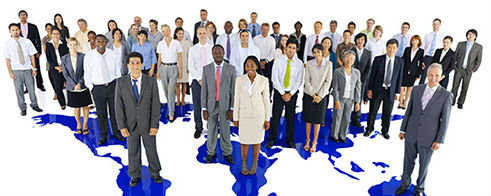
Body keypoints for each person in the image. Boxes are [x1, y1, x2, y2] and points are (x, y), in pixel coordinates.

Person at [395, 63, 452, 196]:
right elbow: (408, 111)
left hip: (429, 137)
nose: (433, 78)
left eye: (436, 75)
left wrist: (439, 140)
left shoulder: (446, 95)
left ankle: (419, 188)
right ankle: (404, 184)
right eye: (431, 75)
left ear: (441, 77)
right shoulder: (416, 90)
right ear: (426, 75)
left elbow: (445, 121)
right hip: (411, 132)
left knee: (424, 165)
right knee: (407, 162)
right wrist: (403, 129)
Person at [115, 52, 163, 188]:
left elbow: (155, 104)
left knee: (151, 149)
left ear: (142, 64)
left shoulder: (151, 81)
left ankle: (155, 172)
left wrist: (155, 124)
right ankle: (135, 175)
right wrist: (121, 126)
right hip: (130, 125)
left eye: (137, 63)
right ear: (127, 65)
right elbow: (118, 106)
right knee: (133, 150)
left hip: (147, 124)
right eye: (132, 63)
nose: (135, 66)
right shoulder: (121, 82)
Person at [83, 34, 123, 145]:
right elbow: (87, 74)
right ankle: (103, 135)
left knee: (115, 112)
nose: (100, 44)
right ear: (95, 43)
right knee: (101, 114)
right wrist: (92, 88)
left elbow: (117, 71)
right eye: (98, 42)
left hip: (112, 86)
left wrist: (118, 86)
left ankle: (117, 132)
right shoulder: (89, 56)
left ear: (106, 42)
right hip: (98, 88)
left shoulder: (113, 54)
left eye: (102, 41)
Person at [234, 55, 270, 175]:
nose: (249, 67)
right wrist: (235, 117)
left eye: (252, 65)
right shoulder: (239, 80)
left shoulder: (264, 81)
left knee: (256, 141)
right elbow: (236, 99)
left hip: (258, 117)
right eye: (247, 65)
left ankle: (254, 162)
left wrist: (267, 119)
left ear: (257, 66)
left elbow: (266, 100)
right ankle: (244, 163)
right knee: (244, 141)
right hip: (244, 116)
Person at [201, 45, 236, 164]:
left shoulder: (231, 69)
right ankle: (211, 152)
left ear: (223, 53)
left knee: (225, 129)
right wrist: (204, 108)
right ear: (212, 54)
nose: (217, 55)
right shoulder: (206, 69)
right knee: (211, 129)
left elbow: (233, 90)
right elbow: (204, 90)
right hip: (211, 105)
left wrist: (232, 108)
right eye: (215, 53)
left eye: (219, 52)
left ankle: (227, 152)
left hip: (225, 105)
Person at [267, 38, 304, 148]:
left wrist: (290, 94)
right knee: (276, 116)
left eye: (293, 48)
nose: (291, 50)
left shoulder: (299, 63)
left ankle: (289, 139)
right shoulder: (278, 60)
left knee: (290, 117)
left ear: (296, 49)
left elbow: (299, 81)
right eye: (289, 48)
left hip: (292, 94)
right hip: (279, 93)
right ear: (285, 48)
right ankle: (272, 138)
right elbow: (274, 78)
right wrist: (283, 93)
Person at [364, 39, 403, 139]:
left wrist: (398, 92)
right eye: (389, 47)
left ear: (397, 49)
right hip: (378, 89)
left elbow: (399, 77)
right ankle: (369, 128)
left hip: (390, 91)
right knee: (373, 110)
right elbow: (372, 76)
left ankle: (385, 130)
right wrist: (370, 89)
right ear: (386, 48)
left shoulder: (400, 61)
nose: (391, 50)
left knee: (387, 112)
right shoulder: (378, 59)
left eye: (394, 48)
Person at [5, 23, 43, 116]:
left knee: (31, 88)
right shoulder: (7, 44)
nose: (15, 32)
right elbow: (7, 59)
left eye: (17, 29)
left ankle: (34, 105)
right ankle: (22, 108)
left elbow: (32, 55)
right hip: (16, 70)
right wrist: (10, 72)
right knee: (19, 90)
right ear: (10, 31)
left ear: (20, 30)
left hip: (27, 69)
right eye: (13, 30)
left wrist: (34, 68)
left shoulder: (27, 41)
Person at [303, 44, 332, 151]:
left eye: (318, 52)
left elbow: (328, 82)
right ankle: (307, 140)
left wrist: (320, 96)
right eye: (314, 52)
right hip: (309, 95)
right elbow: (307, 81)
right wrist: (314, 95)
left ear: (322, 52)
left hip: (322, 96)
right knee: (308, 120)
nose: (316, 54)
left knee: (317, 120)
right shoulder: (309, 64)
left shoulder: (329, 64)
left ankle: (314, 142)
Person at [61, 37, 92, 135]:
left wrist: (79, 83)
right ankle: (79, 124)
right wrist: (74, 85)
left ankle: (85, 124)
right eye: (71, 44)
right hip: (72, 87)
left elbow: (86, 71)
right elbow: (65, 74)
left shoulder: (83, 56)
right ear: (67, 45)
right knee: (77, 108)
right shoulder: (64, 58)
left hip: (82, 85)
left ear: (77, 45)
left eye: (75, 44)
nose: (73, 47)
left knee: (85, 107)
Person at [188, 26, 213, 138]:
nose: (202, 35)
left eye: (204, 33)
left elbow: (213, 65)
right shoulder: (193, 49)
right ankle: (198, 127)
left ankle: (210, 126)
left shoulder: (212, 48)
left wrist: (207, 79)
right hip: (196, 81)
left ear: (207, 34)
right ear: (197, 35)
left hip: (209, 81)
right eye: (200, 33)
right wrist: (199, 78)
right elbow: (191, 66)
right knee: (197, 105)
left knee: (210, 105)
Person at [331, 50, 361, 143]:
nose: (349, 60)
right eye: (347, 57)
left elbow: (358, 87)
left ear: (354, 60)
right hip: (340, 98)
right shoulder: (337, 71)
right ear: (343, 59)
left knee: (346, 117)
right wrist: (336, 101)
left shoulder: (357, 72)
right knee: (337, 117)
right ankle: (335, 135)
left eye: (352, 58)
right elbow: (335, 87)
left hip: (350, 98)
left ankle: (343, 135)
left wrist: (357, 102)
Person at [156, 24, 183, 122]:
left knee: (171, 91)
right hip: (163, 68)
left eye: (167, 30)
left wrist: (181, 71)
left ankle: (171, 113)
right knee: (166, 91)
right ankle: (172, 107)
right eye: (163, 31)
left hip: (173, 68)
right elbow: (159, 58)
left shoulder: (176, 43)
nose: (165, 33)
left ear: (170, 30)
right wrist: (158, 71)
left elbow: (180, 57)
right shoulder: (160, 44)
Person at [451, 29, 482, 109]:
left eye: (472, 34)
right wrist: (455, 67)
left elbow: (478, 60)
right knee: (454, 86)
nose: (470, 36)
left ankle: (460, 102)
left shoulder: (479, 47)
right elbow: (455, 56)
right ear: (467, 35)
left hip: (468, 70)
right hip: (459, 69)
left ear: (475, 36)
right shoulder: (461, 44)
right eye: (469, 34)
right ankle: (452, 101)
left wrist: (474, 69)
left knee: (465, 87)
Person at [18, 10, 45, 92]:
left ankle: (40, 85)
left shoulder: (33, 26)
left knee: (37, 68)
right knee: (25, 69)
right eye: (21, 15)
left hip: (33, 51)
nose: (23, 16)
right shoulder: (16, 27)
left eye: (24, 14)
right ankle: (27, 87)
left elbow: (38, 38)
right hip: (21, 52)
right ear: (19, 16)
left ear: (27, 16)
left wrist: (39, 51)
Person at [350, 33, 372, 128]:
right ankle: (346, 117)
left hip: (362, 81)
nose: (360, 41)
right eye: (358, 39)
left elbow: (368, 68)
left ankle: (356, 119)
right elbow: (347, 65)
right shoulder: (351, 51)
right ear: (355, 40)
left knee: (358, 100)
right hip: (350, 80)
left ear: (364, 41)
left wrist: (362, 80)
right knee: (348, 99)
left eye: (362, 39)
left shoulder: (368, 53)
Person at [398, 35, 424, 109]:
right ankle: (400, 102)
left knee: (409, 88)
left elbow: (420, 63)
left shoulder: (421, 51)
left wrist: (418, 75)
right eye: (413, 40)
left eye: (416, 40)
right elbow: (403, 59)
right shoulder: (407, 49)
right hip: (405, 71)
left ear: (419, 42)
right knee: (401, 87)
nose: (414, 42)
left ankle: (405, 103)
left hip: (413, 72)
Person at [46, 27, 68, 109]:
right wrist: (56, 67)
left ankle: (71, 101)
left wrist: (63, 67)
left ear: (60, 35)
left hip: (65, 67)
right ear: (51, 34)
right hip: (54, 68)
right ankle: (62, 103)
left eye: (57, 34)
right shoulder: (48, 44)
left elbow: (67, 56)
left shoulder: (64, 44)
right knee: (58, 87)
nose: (56, 35)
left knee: (69, 85)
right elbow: (48, 58)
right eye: (54, 34)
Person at [419, 18, 445, 85]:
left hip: (437, 58)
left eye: (437, 24)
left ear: (440, 25)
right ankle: (420, 90)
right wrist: (422, 60)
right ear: (432, 25)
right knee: (423, 76)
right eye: (434, 24)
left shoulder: (443, 36)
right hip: (427, 57)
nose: (436, 25)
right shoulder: (427, 35)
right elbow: (422, 48)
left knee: (435, 77)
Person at [253, 23, 275, 88]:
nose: (265, 31)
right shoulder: (255, 39)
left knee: (268, 81)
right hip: (257, 62)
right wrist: (258, 62)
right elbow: (254, 51)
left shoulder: (272, 39)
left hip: (268, 63)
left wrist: (265, 61)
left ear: (268, 30)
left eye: (267, 29)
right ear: (261, 29)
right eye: (263, 29)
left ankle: (268, 97)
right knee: (257, 81)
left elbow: (272, 52)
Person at [175, 27, 191, 106]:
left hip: (185, 65)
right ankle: (178, 100)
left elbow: (189, 55)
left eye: (182, 34)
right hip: (176, 66)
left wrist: (189, 66)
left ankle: (183, 99)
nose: (181, 35)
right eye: (179, 34)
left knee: (184, 83)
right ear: (176, 34)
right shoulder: (173, 42)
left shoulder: (187, 43)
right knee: (177, 84)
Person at [42, 23, 55, 99]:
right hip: (50, 59)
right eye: (47, 29)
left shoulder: (56, 36)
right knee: (51, 76)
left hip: (59, 59)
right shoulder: (44, 39)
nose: (49, 30)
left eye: (50, 28)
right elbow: (45, 51)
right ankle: (55, 92)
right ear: (46, 30)